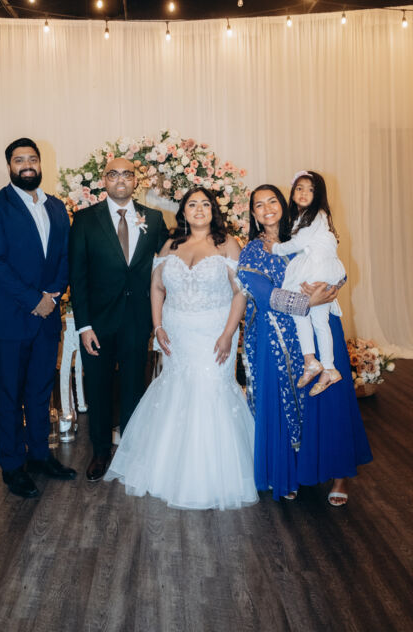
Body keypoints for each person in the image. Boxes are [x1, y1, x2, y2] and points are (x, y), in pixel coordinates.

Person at [104, 187, 259, 510]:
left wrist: (229, 333)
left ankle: (212, 477)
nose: (199, 209)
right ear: (184, 211)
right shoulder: (171, 245)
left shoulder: (227, 244)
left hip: (215, 332)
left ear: (213, 210)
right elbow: (156, 287)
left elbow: (240, 292)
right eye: (192, 204)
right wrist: (158, 326)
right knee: (176, 390)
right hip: (177, 333)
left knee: (210, 390)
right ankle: (167, 472)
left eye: (205, 204)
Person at [237, 184, 372, 506]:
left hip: (321, 327)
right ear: (253, 214)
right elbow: (262, 293)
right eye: (259, 205)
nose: (267, 208)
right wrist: (306, 301)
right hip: (278, 336)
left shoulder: (304, 233)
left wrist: (331, 287)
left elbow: (335, 265)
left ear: (284, 205)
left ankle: (339, 476)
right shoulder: (253, 250)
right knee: (287, 404)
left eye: (272, 201)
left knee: (331, 399)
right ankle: (290, 472)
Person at [0, 137, 76, 499]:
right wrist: (35, 299)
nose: (27, 165)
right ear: (9, 166)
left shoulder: (56, 206)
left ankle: (39, 456)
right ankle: (13, 466)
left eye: (32, 159)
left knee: (40, 391)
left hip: (47, 317)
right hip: (13, 317)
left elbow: (65, 256)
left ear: (40, 163)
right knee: (8, 394)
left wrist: (53, 295)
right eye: (19, 160)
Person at [69, 157, 169, 482]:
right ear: (104, 180)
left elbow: (168, 266)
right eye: (113, 174)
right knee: (98, 389)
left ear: (136, 180)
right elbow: (77, 276)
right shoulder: (85, 220)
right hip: (97, 324)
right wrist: (84, 326)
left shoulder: (154, 219)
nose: (121, 179)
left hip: (137, 321)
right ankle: (100, 452)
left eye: (127, 174)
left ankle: (130, 451)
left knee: (133, 389)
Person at [264, 171, 346, 396]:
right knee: (319, 321)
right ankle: (328, 367)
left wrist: (275, 248)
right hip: (320, 268)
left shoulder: (315, 215)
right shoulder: (303, 217)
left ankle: (312, 361)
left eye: (310, 189)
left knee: (301, 313)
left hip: (316, 269)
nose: (303, 193)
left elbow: (298, 243)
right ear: (292, 193)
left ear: (318, 195)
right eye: (299, 188)